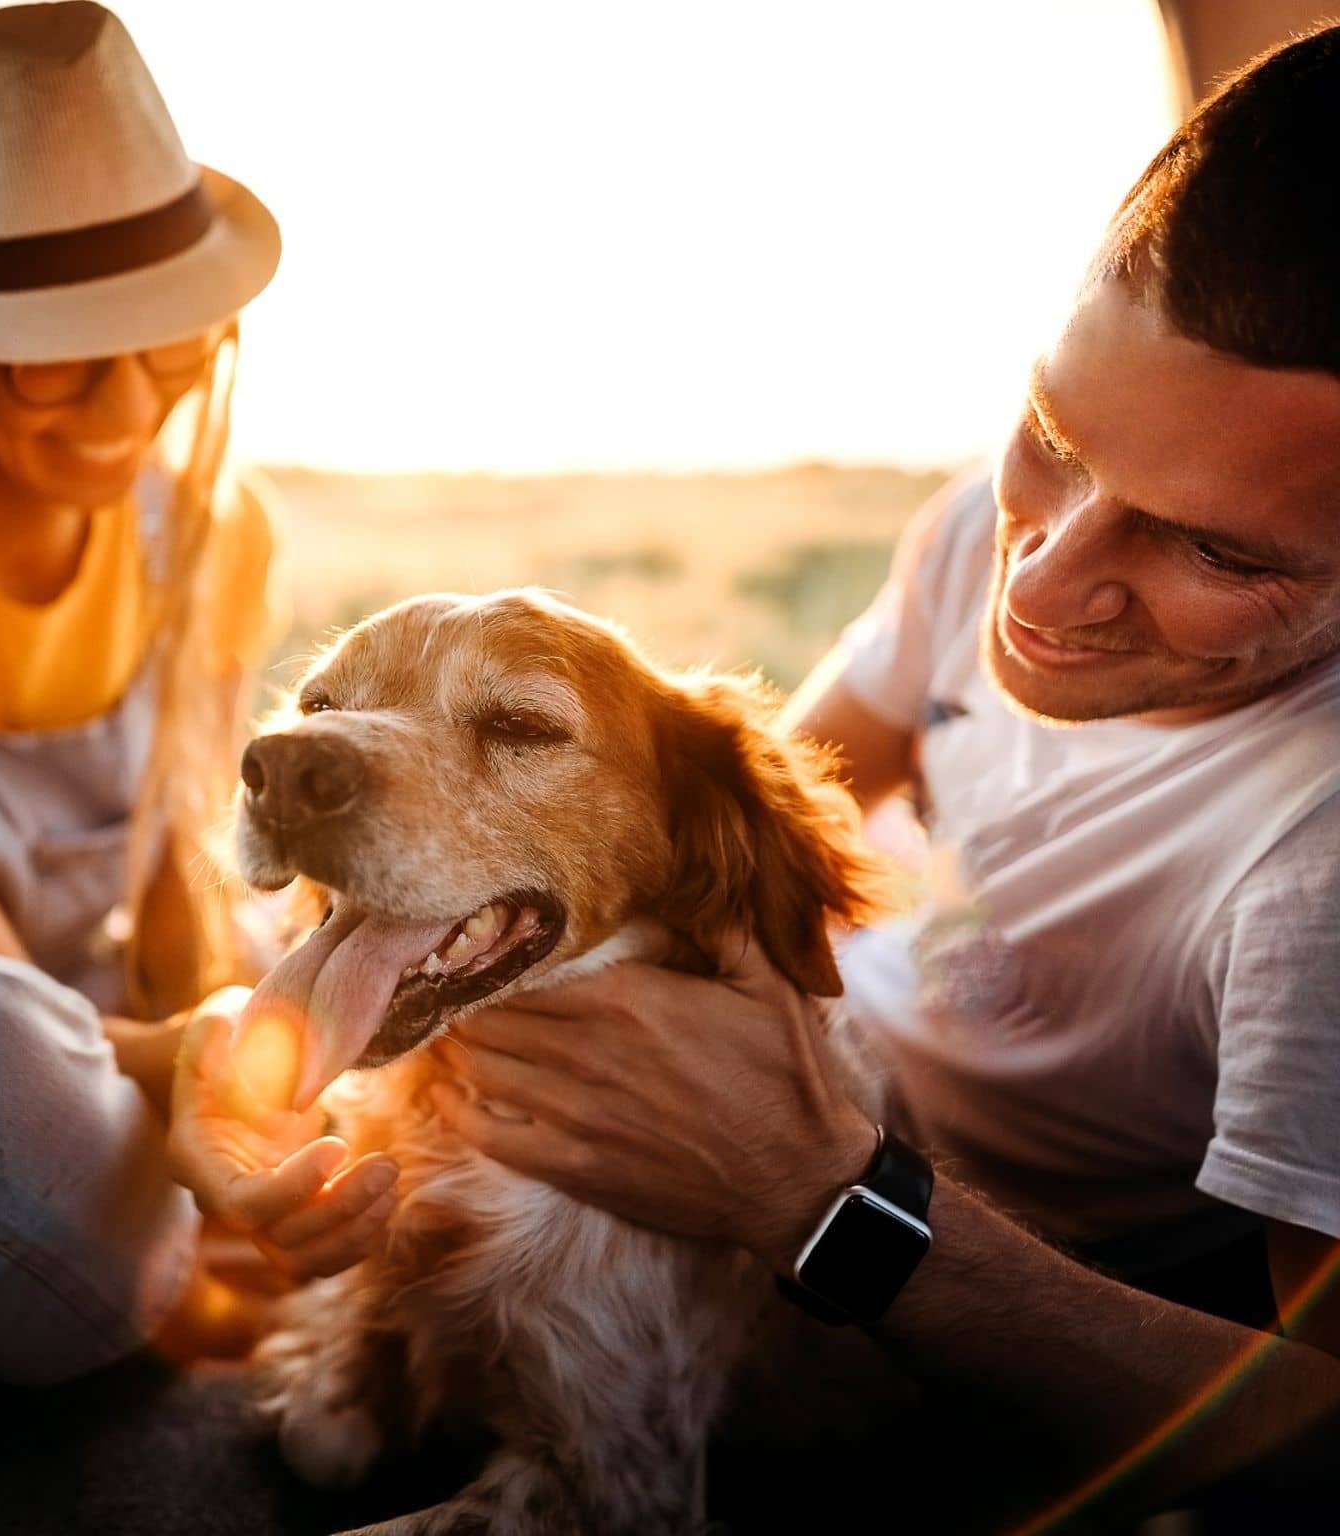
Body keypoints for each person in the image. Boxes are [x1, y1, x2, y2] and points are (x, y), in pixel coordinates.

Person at [429, 23, 1340, 1529]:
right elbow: (767, 822)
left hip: (944, 1293)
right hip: (808, 1083)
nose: (1038, 581)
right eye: (1051, 433)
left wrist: (818, 1198)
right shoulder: (982, 531)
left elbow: (1316, 1440)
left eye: (1215, 552)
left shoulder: (1314, 874)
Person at [0, 3, 396, 1509]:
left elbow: (199, 903)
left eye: (168, 342)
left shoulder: (209, 539)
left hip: (108, 1150)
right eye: (55, 361)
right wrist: (175, 1079)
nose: (130, 410)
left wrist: (249, 1083)